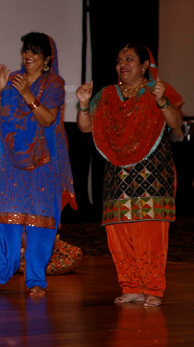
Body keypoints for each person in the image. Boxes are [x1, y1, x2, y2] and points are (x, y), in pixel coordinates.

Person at [76, 42, 184, 306]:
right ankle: (132, 285)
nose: (122, 64)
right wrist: (83, 104)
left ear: (145, 65)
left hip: (153, 173)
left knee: (149, 231)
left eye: (129, 59)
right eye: (119, 60)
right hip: (118, 173)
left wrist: (161, 101)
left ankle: (153, 288)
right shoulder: (107, 94)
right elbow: (85, 128)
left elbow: (176, 122)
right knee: (119, 231)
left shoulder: (159, 89)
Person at [0, 32, 77, 296]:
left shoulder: (54, 83)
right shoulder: (12, 82)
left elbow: (47, 120)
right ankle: (2, 273)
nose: (28, 56)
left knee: (39, 222)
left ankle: (35, 279)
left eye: (34, 52)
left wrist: (26, 94)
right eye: (26, 51)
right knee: (4, 218)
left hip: (42, 160)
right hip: (9, 159)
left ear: (46, 59)